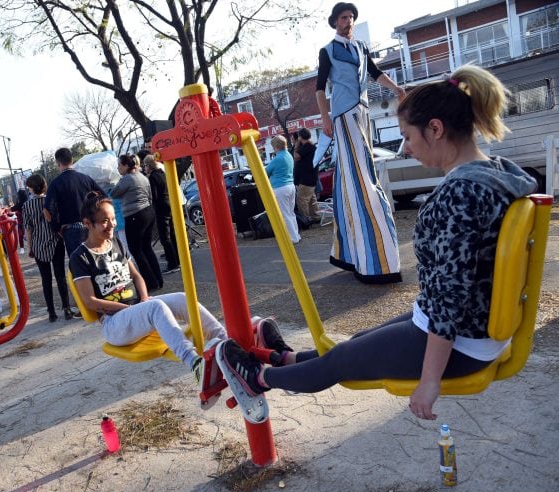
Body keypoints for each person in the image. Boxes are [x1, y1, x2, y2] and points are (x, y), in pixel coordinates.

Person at [217, 64, 538, 421]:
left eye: (408, 136)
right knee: (354, 345)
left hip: (461, 341)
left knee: (341, 362)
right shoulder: (498, 175)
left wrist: (430, 381)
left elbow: (449, 297)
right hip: (472, 327)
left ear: (435, 128)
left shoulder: (459, 195)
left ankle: (258, 379)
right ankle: (285, 359)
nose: (406, 147)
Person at [69, 193, 222, 381]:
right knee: (155, 308)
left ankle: (226, 340)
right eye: (104, 221)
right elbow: (90, 302)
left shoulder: (115, 242)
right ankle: (194, 363)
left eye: (113, 219)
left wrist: (143, 299)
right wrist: (133, 308)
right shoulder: (80, 257)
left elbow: (136, 275)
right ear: (87, 223)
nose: (111, 225)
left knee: (183, 298)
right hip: (114, 323)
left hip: (136, 309)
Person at [316, 2, 404, 283]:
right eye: (344, 17)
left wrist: (397, 88)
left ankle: (347, 250)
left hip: (363, 110)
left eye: (351, 17)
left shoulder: (362, 48)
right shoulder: (327, 51)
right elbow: (320, 88)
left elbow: (376, 73)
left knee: (353, 172)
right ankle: (367, 241)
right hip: (342, 113)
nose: (349, 21)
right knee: (359, 173)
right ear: (334, 22)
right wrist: (325, 119)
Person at [22, 174, 74, 322]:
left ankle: (51, 312)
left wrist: (30, 247)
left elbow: (28, 228)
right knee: (60, 276)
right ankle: (67, 308)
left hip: (38, 244)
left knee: (45, 279)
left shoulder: (27, 206)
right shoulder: (51, 200)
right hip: (55, 241)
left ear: (31, 188)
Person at [110, 154, 164, 291]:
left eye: (119, 165)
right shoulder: (143, 176)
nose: (118, 168)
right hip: (148, 211)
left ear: (127, 166)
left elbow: (114, 193)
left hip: (134, 215)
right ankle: (158, 279)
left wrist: (115, 181)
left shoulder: (127, 179)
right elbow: (150, 195)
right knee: (147, 248)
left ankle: (150, 282)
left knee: (136, 250)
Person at [43, 147, 104, 257]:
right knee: (96, 260)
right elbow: (103, 197)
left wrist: (56, 227)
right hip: (90, 226)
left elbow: (47, 210)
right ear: (72, 160)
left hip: (70, 229)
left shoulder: (55, 183)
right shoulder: (86, 178)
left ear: (58, 163)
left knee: (80, 266)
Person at [143, 155, 179, 274]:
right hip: (170, 204)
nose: (144, 168)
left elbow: (154, 195)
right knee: (173, 233)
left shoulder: (153, 177)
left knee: (164, 236)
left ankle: (172, 263)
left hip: (161, 207)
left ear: (149, 166)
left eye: (145, 165)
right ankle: (178, 259)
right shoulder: (163, 173)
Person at [265, 136, 300, 244]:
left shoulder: (277, 159)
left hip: (280, 188)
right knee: (291, 212)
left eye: (273, 146)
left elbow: (266, 172)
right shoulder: (289, 155)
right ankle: (296, 235)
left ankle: (292, 238)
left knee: (285, 214)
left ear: (276, 146)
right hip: (290, 186)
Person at [293, 128, 320, 222]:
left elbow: (296, 157)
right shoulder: (311, 146)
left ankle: (305, 219)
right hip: (310, 178)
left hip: (306, 179)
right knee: (311, 199)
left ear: (300, 137)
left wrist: (296, 146)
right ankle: (315, 216)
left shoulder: (307, 146)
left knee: (302, 200)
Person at [10, 189, 29, 255]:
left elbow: (14, 208)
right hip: (25, 220)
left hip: (23, 220)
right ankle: (23, 247)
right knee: (23, 233)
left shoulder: (22, 202)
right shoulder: (28, 201)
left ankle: (22, 247)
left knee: (21, 234)